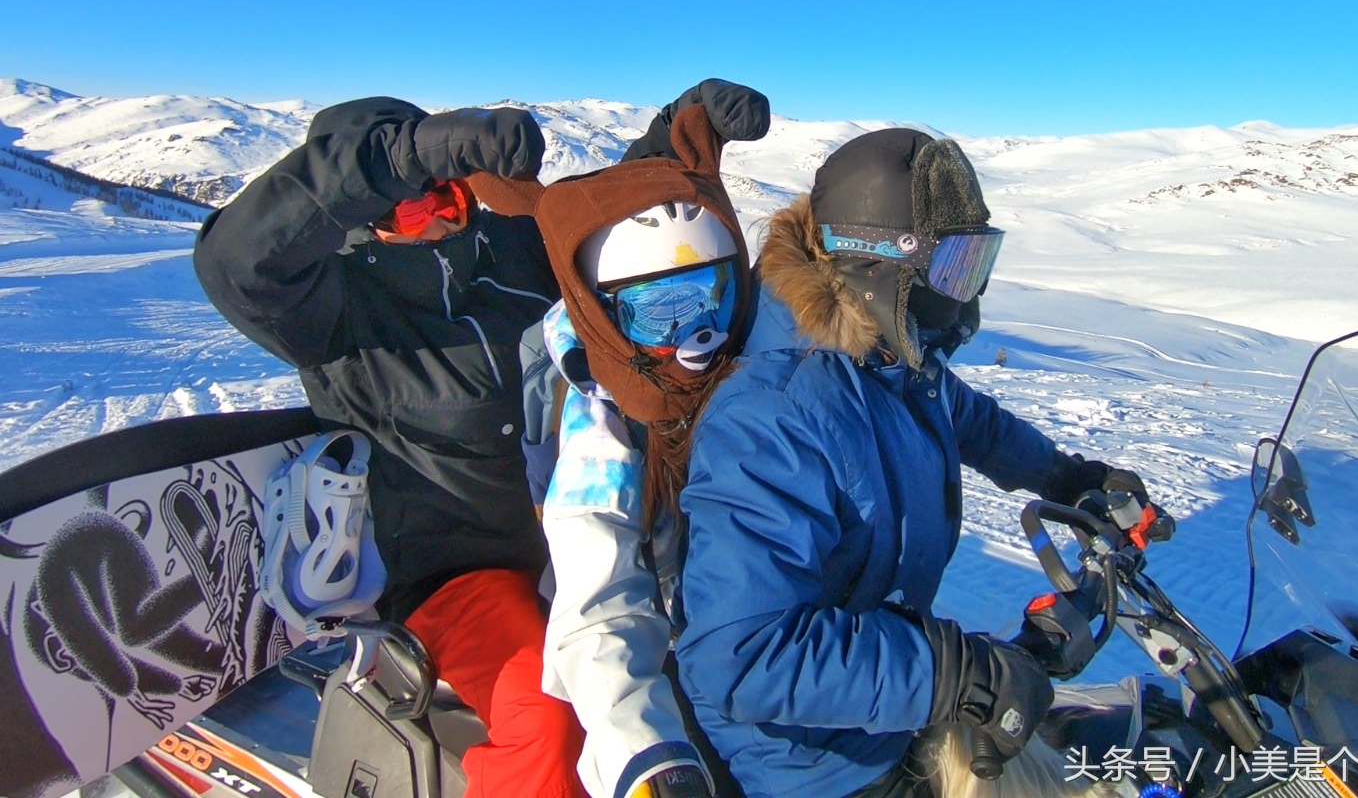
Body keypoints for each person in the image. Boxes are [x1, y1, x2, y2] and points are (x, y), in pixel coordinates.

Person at [672, 128, 1172, 798]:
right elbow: (742, 653)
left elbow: (976, 424)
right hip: (813, 764)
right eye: (954, 269)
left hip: (892, 712)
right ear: (880, 264)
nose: (967, 297)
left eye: (977, 267)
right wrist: (951, 674)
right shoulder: (773, 417)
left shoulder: (896, 363)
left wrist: (1070, 479)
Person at [193, 97, 586, 798]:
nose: (435, 220)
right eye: (407, 209)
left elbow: (603, 230)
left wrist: (676, 141)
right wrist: (408, 156)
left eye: (448, 198)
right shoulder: (336, 309)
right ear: (355, 223)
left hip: (585, 537)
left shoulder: (510, 253)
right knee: (547, 715)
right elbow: (237, 262)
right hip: (458, 578)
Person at [520, 80, 770, 798]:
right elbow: (598, 596)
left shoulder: (746, 366)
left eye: (715, 295)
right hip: (660, 649)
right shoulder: (602, 423)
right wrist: (642, 749)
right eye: (661, 312)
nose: (701, 335)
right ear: (607, 316)